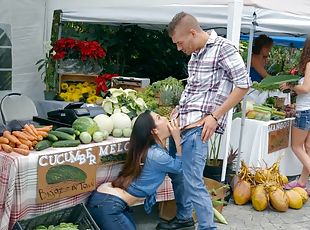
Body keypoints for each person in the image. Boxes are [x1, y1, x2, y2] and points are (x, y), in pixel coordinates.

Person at [157, 12, 251, 230]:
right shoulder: (196, 55)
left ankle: (207, 227)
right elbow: (192, 89)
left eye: (180, 43)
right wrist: (178, 110)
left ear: (192, 32)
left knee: (193, 183)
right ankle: (183, 219)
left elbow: (244, 84)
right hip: (181, 127)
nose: (179, 48)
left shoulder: (223, 48)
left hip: (199, 129)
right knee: (179, 177)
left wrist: (215, 116)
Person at [86, 110, 184, 230]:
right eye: (159, 117)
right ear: (154, 131)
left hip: (106, 200)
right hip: (107, 205)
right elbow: (179, 167)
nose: (165, 118)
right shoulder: (156, 155)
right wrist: (178, 138)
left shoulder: (153, 150)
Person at [280, 37, 310, 194]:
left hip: (305, 111)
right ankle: (302, 182)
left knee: (296, 146)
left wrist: (290, 85)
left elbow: (305, 89)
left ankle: (302, 182)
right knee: (308, 148)